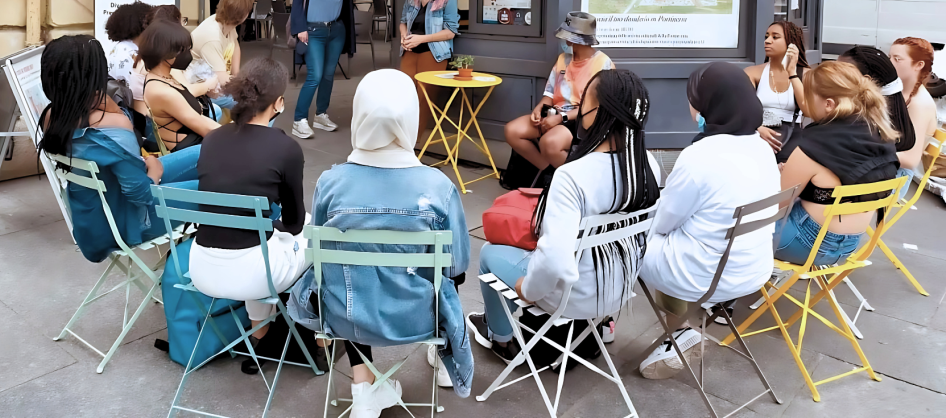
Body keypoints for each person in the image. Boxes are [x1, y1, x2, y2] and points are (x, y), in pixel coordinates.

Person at [289, 70, 471, 416]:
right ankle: (442, 355)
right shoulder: (438, 187)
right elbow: (457, 265)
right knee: (447, 271)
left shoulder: (331, 182)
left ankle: (362, 387)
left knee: (345, 272)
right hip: (419, 317)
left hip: (347, 314)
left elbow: (319, 256)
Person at [467, 69, 661, 364]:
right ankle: (601, 326)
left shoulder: (573, 175)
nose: (579, 111)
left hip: (570, 296)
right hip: (618, 289)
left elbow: (553, 260)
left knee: (489, 253)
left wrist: (528, 290)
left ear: (599, 112)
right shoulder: (647, 165)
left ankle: (501, 338)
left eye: (584, 103)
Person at [638, 62, 780, 380]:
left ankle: (680, 330)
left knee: (631, 241)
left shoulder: (699, 155)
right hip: (754, 269)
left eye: (694, 99)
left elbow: (662, 222)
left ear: (707, 105)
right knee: (680, 237)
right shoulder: (762, 149)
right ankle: (683, 329)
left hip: (706, 276)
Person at [36, 36, 199, 263]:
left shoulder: (51, 116)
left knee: (207, 152)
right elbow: (140, 194)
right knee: (222, 188)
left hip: (92, 222)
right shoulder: (111, 125)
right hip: (128, 223)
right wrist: (155, 172)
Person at [189, 59, 309, 359]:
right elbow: (294, 223)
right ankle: (319, 342)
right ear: (278, 103)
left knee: (260, 243)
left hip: (201, 268)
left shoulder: (213, 139)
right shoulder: (285, 148)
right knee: (315, 235)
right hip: (256, 273)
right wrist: (276, 226)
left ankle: (259, 337)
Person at [775, 61, 900, 266]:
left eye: (808, 96)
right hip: (850, 246)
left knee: (732, 227)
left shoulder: (815, 143)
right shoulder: (881, 134)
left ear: (829, 104)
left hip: (805, 243)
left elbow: (776, 206)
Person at [504, 12, 614, 170]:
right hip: (554, 113)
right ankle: (547, 172)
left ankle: (571, 179)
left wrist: (561, 118)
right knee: (512, 130)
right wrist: (539, 108)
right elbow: (549, 92)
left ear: (575, 39)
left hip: (580, 121)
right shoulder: (563, 59)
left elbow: (596, 107)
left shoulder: (603, 64)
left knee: (550, 143)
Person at [290, 0, 370, 139]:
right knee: (315, 75)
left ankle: (320, 115)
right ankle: (299, 120)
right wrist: (300, 28)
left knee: (328, 75)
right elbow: (297, 2)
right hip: (312, 31)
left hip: (336, 31)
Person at [398, 0, 460, 136]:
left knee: (423, 99)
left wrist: (422, 38)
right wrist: (404, 36)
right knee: (403, 95)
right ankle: (399, 138)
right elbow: (403, 21)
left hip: (434, 54)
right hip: (410, 52)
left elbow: (450, 32)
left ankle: (412, 142)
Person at [838, 45, 918, 187]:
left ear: (865, 80)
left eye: (840, 74)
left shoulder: (865, 123)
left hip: (873, 190)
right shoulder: (893, 110)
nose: (833, 77)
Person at [143, 20, 221, 152]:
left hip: (194, 142)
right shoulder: (162, 91)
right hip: (190, 150)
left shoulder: (164, 77)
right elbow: (204, 128)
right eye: (184, 50)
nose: (188, 54)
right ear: (165, 53)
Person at [744, 21, 810, 157]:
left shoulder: (806, 74)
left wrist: (792, 73)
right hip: (758, 132)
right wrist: (757, 128)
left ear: (791, 43)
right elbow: (741, 108)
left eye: (775, 37)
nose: (767, 41)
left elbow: (808, 111)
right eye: (766, 36)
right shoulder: (753, 72)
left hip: (792, 136)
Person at [890, 37, 939, 188]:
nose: (889, 63)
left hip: (895, 177)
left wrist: (864, 151)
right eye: (889, 57)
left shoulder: (920, 104)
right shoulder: (898, 91)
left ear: (919, 65)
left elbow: (910, 160)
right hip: (884, 167)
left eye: (897, 59)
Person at [191, 0, 255, 99]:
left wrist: (237, 75)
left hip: (215, 84)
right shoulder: (212, 38)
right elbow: (222, 79)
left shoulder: (227, 23)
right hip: (202, 91)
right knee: (255, 100)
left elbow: (235, 45)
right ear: (243, 15)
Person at [104, 1, 154, 116]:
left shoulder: (120, 48)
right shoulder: (131, 54)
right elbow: (134, 91)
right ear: (142, 26)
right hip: (134, 113)